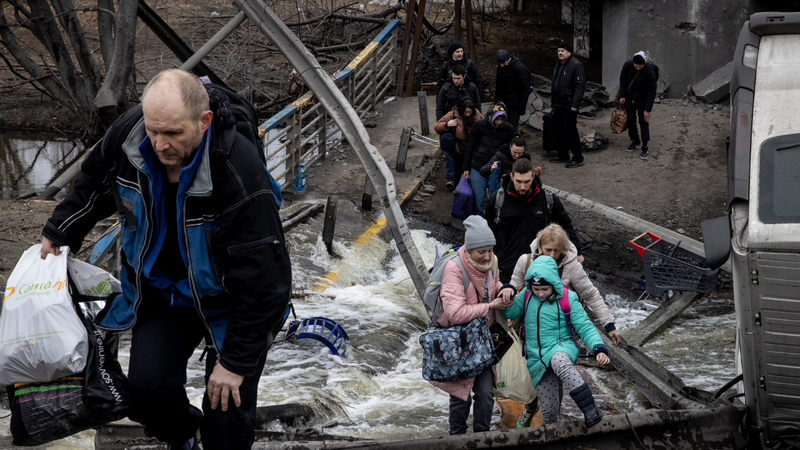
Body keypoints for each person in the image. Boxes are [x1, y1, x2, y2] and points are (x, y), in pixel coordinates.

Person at [39, 69, 292, 450]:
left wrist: (236, 363)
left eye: (173, 133)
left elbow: (266, 280)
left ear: (203, 122)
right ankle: (184, 435)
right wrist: (61, 231)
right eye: (154, 130)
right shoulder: (131, 135)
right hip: (164, 291)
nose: (159, 144)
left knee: (226, 410)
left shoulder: (238, 170)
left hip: (230, 300)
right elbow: (95, 181)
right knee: (146, 391)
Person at [429, 215, 516, 435]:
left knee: (486, 393)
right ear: (469, 250)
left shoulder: (492, 263)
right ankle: (456, 438)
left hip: (483, 340)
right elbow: (455, 313)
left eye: (490, 250)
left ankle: (482, 437)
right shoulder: (454, 268)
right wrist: (490, 306)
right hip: (458, 340)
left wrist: (504, 288)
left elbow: (493, 283)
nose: (487, 256)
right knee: (461, 395)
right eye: (481, 252)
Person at [503, 255, 610, 428]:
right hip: (537, 356)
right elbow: (509, 313)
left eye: (545, 289)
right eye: (537, 289)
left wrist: (599, 349)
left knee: (559, 360)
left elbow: (585, 326)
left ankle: (591, 410)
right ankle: (554, 435)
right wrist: (507, 293)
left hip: (562, 346)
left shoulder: (568, 298)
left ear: (554, 282)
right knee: (549, 413)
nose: (540, 293)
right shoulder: (528, 294)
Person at [509, 223, 621, 346]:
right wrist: (509, 316)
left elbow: (590, 295)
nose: (552, 255)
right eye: (548, 250)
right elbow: (514, 289)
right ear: (540, 246)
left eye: (556, 250)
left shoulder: (571, 265)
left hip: (561, 334)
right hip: (530, 329)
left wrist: (609, 325)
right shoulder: (525, 261)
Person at [484, 158, 582, 284]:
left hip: (539, 267)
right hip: (506, 269)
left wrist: (578, 251)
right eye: (518, 181)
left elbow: (565, 226)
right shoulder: (497, 200)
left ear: (533, 176)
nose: (523, 186)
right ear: (511, 176)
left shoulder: (547, 200)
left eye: (527, 181)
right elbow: (487, 230)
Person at [464, 108, 515, 215]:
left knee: (495, 197)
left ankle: (493, 222)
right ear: (492, 117)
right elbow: (471, 146)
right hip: (477, 165)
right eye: (497, 119)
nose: (499, 122)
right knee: (479, 199)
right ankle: (479, 221)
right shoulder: (479, 125)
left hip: (495, 167)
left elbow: (511, 149)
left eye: (502, 120)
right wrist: (466, 167)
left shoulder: (509, 129)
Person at [549, 40, 586, 169]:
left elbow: (580, 86)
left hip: (569, 104)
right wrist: (553, 102)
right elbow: (556, 83)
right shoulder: (559, 64)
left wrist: (575, 104)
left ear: (569, 52)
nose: (560, 53)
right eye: (558, 51)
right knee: (558, 130)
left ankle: (577, 157)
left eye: (562, 51)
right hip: (558, 103)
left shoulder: (576, 65)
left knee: (570, 131)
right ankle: (562, 154)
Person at [435, 98, 485, 190]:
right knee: (459, 176)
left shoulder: (477, 115)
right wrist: (447, 124)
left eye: (470, 112)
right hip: (459, 152)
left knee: (473, 177)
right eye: (465, 112)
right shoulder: (453, 114)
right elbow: (437, 126)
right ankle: (459, 196)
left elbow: (485, 126)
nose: (467, 114)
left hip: (473, 152)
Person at [619, 51, 657, 160]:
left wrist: (648, 109)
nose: (638, 68)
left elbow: (651, 91)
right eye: (636, 66)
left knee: (643, 121)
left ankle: (645, 146)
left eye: (640, 66)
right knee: (630, 120)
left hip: (643, 99)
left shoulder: (650, 71)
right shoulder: (628, 65)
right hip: (630, 97)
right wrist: (622, 95)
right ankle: (635, 141)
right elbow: (623, 80)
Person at [494, 49, 533, 131]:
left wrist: (522, 107)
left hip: (515, 104)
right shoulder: (501, 66)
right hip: (503, 101)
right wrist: (496, 101)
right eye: (500, 63)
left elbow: (525, 88)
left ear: (508, 59)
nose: (501, 65)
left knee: (512, 127)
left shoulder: (520, 68)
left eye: (503, 63)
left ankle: (513, 142)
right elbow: (498, 84)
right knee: (500, 124)